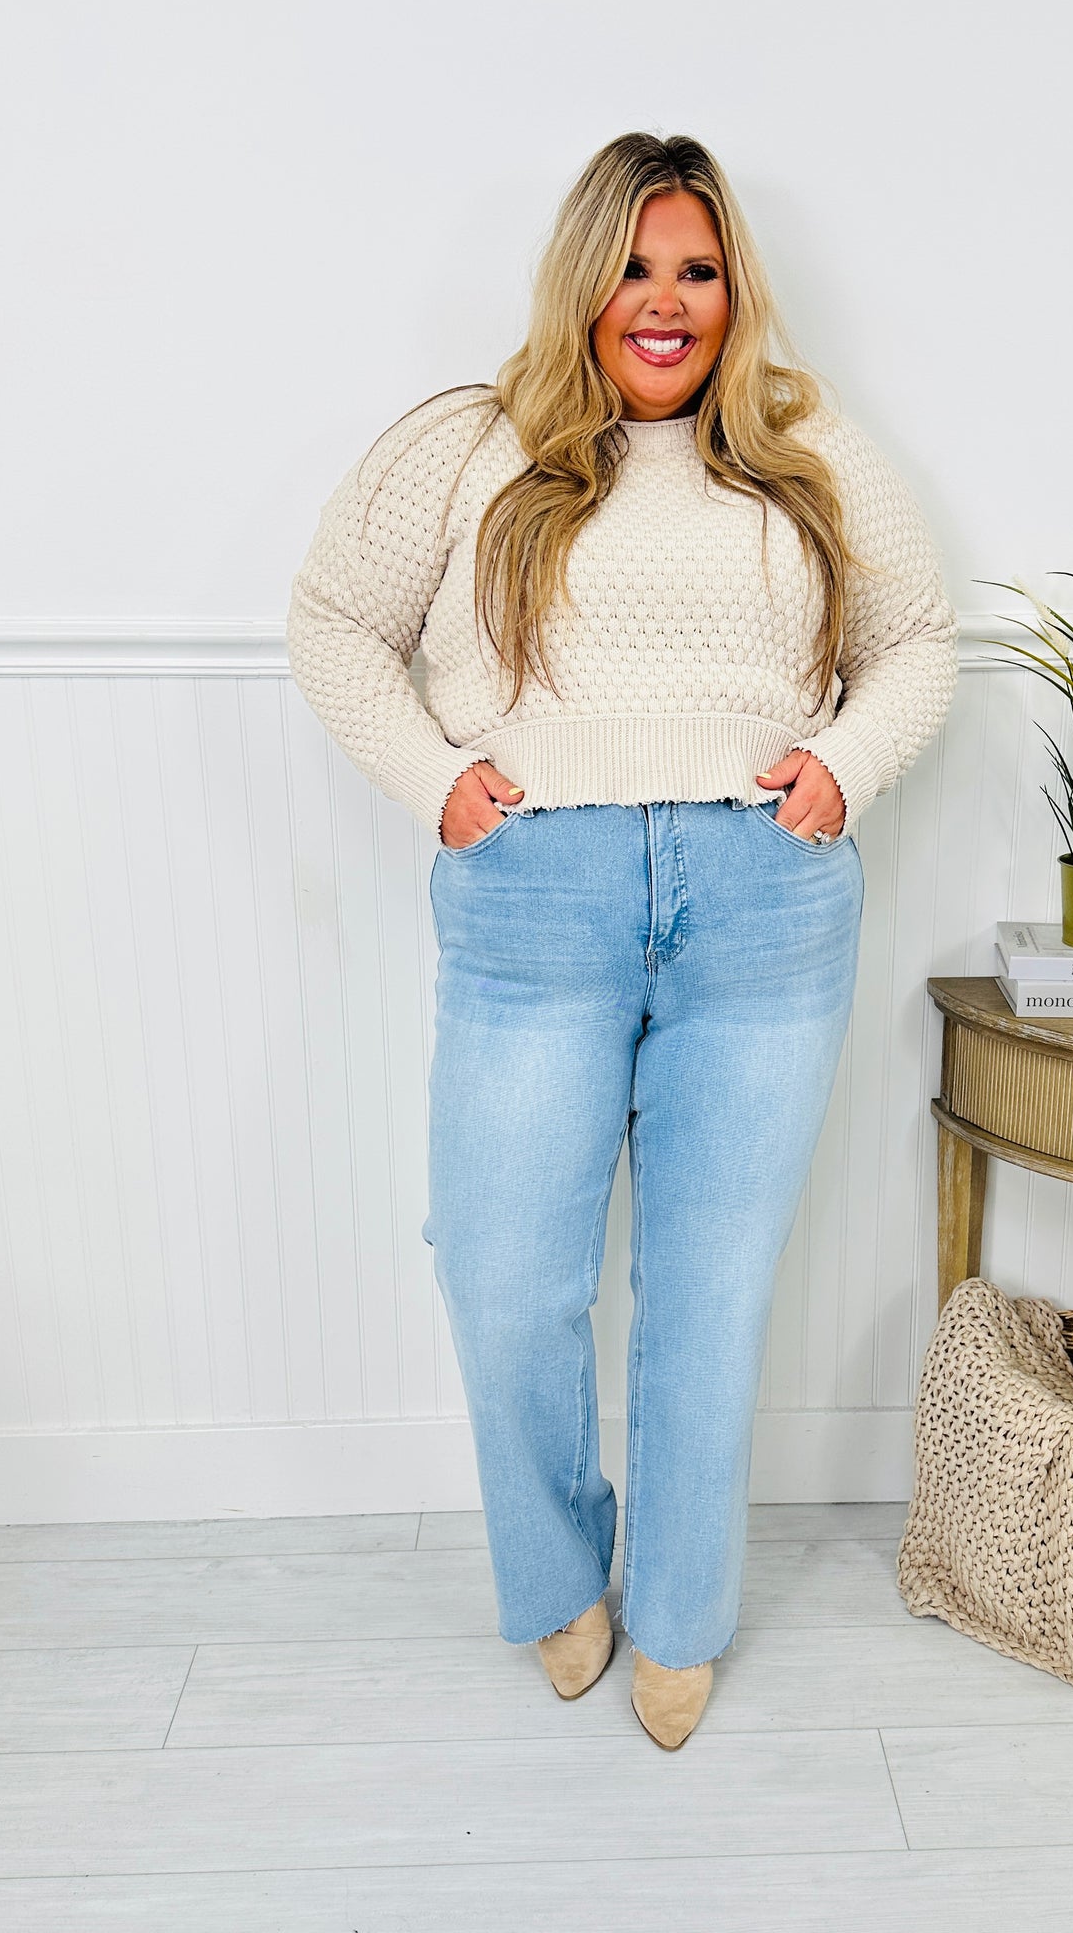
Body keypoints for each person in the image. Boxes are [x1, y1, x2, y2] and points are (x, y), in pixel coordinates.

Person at [287, 131, 958, 1749]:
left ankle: (681, 1615)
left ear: (736, 291)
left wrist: (844, 768)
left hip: (762, 900)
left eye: (698, 271)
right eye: (635, 269)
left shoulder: (805, 447)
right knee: (506, 1278)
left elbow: (918, 641)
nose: (666, 303)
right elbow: (333, 623)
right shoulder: (473, 443)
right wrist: (438, 782)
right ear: (582, 281)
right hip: (536, 895)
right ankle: (557, 1579)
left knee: (707, 1297)